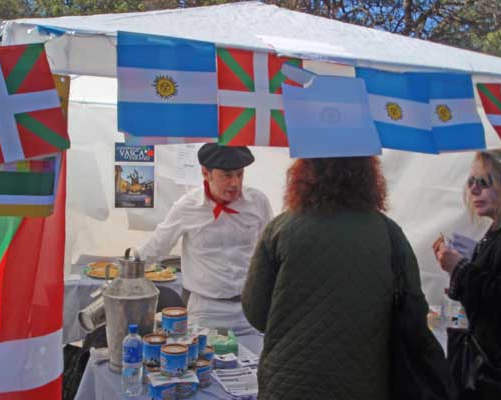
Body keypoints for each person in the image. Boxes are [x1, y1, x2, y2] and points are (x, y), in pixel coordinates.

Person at [242, 157, 431, 399]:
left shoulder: (280, 229)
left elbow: (256, 313)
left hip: (288, 383)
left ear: (304, 174)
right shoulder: (389, 233)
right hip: (363, 382)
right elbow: (415, 310)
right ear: (369, 178)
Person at [139, 143, 272, 335]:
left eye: (239, 174)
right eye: (226, 175)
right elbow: (157, 247)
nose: (235, 182)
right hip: (206, 311)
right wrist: (126, 274)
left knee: (255, 363)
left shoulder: (258, 202)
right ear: (205, 173)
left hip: (249, 309)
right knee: (201, 363)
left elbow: (270, 251)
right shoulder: (187, 207)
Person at [433, 149, 501, 399]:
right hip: (478, 367)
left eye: (484, 182)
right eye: (471, 182)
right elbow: (477, 302)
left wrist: (461, 268)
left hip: (492, 374)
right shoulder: (499, 229)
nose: (473, 190)